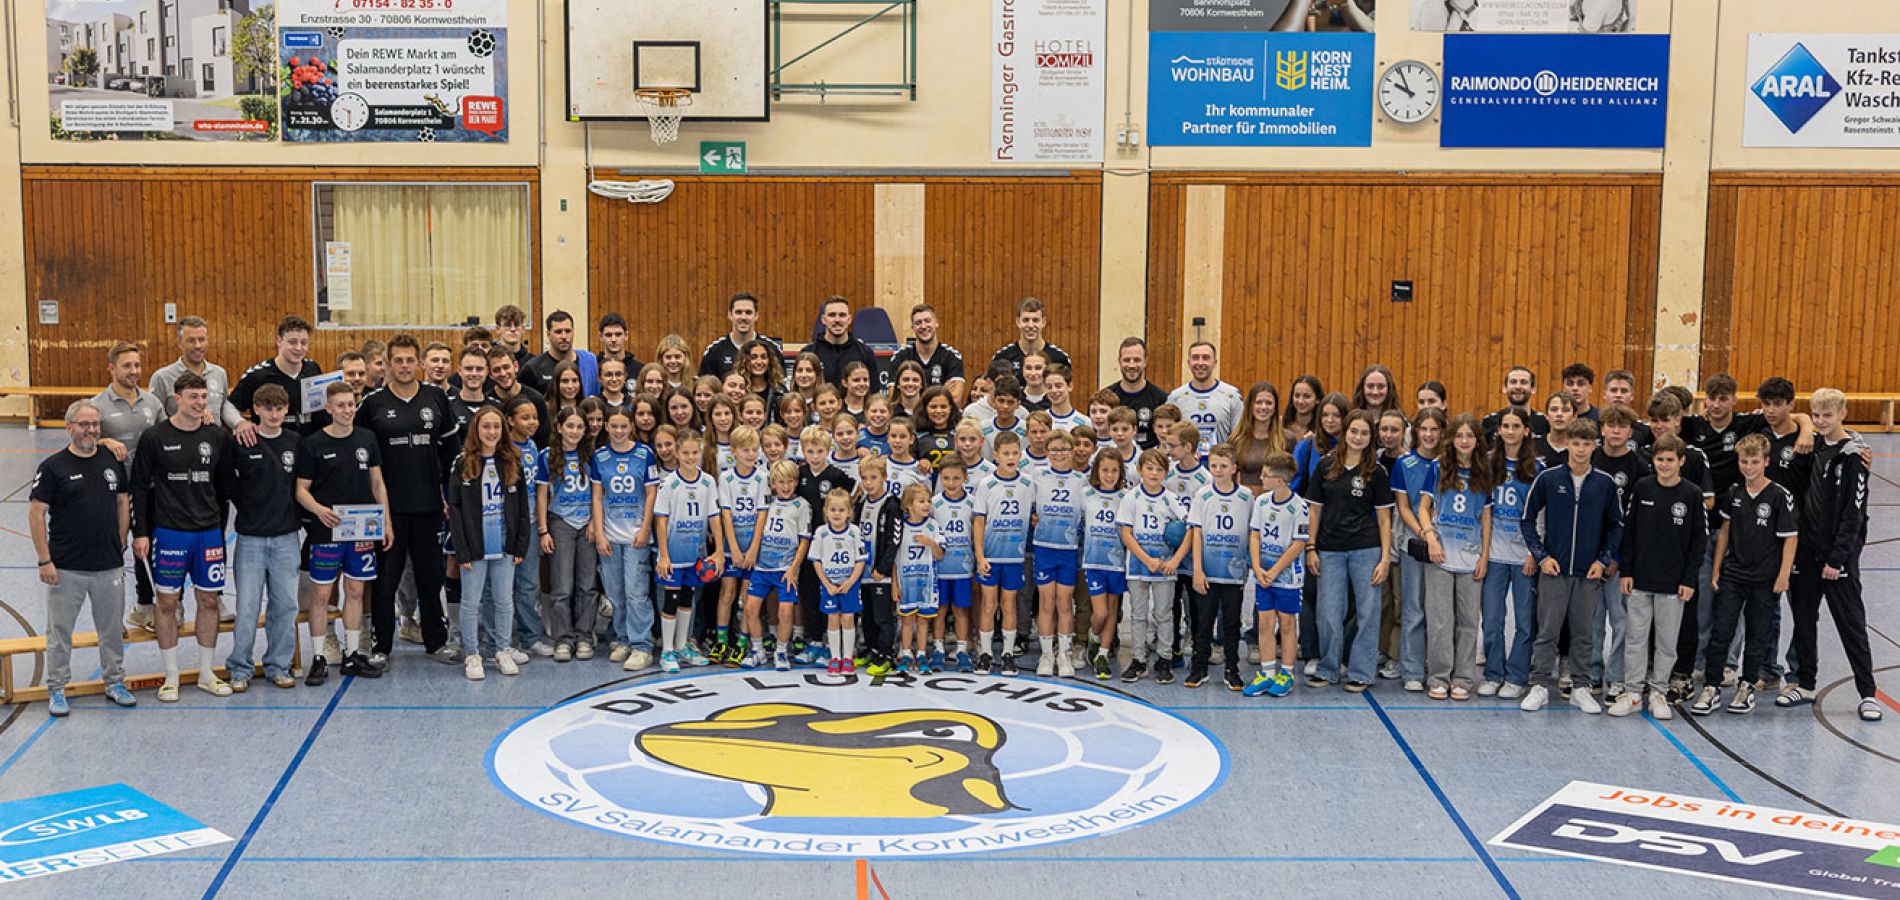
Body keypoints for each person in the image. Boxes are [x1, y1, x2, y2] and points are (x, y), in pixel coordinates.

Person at [357, 335, 459, 664]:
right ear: (388, 364)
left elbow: (451, 452)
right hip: (390, 511)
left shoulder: (435, 398)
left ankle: (436, 642)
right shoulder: (372, 404)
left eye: (409, 360)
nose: (404, 366)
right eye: (397, 360)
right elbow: (362, 456)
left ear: (419, 363)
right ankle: (381, 647)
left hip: (429, 506)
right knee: (386, 582)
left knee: (430, 579)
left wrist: (448, 494)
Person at [131, 373, 232, 702]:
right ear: (177, 399)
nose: (200, 402)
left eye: (203, 396)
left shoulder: (216, 436)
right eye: (193, 397)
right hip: (170, 534)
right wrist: (141, 532)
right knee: (167, 604)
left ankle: (206, 673)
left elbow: (226, 488)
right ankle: (171, 676)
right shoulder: (155, 437)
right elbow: (139, 488)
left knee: (209, 601)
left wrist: (220, 528)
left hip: (208, 535)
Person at [31, 400, 137, 715]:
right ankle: (57, 688)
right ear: (69, 428)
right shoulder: (53, 467)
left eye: (95, 424)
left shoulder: (111, 459)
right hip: (66, 568)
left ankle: (115, 682)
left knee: (111, 631)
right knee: (60, 633)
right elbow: (36, 514)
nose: (91, 430)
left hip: (108, 565)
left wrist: (120, 541)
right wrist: (44, 560)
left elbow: (122, 501)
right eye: (84, 424)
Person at [1782, 389, 1881, 721]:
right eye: (1817, 415)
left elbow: (1854, 513)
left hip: (1837, 559)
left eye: (1828, 415)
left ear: (1842, 414)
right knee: (1804, 620)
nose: (1822, 421)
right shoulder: (1814, 446)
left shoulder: (1853, 455)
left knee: (1851, 624)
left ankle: (1867, 693)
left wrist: (1837, 559)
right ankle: (1806, 683)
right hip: (1806, 553)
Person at [1520, 418, 1623, 714]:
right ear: (1567, 444)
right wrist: (1542, 556)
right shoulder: (1548, 478)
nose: (1580, 449)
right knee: (1547, 631)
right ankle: (1540, 685)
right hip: (1554, 570)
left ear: (1595, 446)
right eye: (1575, 443)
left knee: (1583, 633)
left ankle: (1581, 687)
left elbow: (1616, 526)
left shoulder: (1604, 483)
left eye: (1586, 444)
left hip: (1588, 573)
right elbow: (1527, 520)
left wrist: (1602, 560)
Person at [1692, 434, 1797, 717]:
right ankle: (1711, 687)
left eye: (1754, 462)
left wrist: (1783, 575)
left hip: (1764, 579)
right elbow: (1725, 532)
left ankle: (1747, 684)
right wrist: (1717, 568)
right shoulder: (1734, 493)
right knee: (1721, 632)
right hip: (1734, 575)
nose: (1749, 467)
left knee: (1757, 634)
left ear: (1766, 462)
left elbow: (1790, 537)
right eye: (1744, 462)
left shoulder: (1779, 496)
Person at [1611, 436, 1704, 719]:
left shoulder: (1692, 494)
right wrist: (1627, 571)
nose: (1664, 465)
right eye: (1660, 459)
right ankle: (1632, 692)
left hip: (1674, 584)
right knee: (1635, 638)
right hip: (1640, 579)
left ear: (1681, 461)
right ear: (1653, 461)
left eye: (1670, 460)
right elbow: (1629, 532)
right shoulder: (1642, 487)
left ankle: (1659, 692)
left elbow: (1698, 541)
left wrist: (1689, 579)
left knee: (1666, 642)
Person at [219, 384, 304, 692]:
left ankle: (278, 665)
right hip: (251, 537)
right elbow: (226, 480)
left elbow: (303, 483)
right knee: (248, 606)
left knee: (286, 605)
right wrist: (247, 505)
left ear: (286, 409)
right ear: (255, 409)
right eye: (267, 408)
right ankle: (240, 667)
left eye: (279, 408)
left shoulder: (295, 442)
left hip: (286, 537)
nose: (273, 414)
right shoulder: (241, 442)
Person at [1304, 411, 1394, 692]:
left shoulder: (1377, 472)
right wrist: (1311, 547)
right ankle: (1328, 668)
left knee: (1368, 612)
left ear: (1371, 438)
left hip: (1366, 549)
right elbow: (1314, 511)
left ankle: (1361, 672)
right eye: (1354, 431)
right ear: (1345, 433)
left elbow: (1384, 519)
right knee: (1328, 612)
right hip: (1329, 549)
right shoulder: (1326, 465)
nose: (1358, 437)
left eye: (1365, 433)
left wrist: (1385, 558)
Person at [446, 405, 532, 681]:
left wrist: (520, 545)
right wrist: (461, 550)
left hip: (504, 545)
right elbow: (455, 510)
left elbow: (522, 508)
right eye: (486, 426)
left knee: (504, 600)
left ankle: (502, 649)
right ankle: (472, 653)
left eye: (496, 426)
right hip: (474, 546)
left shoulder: (512, 461)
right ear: (476, 429)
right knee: (471, 602)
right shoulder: (463, 463)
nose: (492, 432)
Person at [1417, 414, 1494, 702]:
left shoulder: (1484, 471)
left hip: (1470, 556)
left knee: (1468, 621)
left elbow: (1486, 517)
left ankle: (1463, 678)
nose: (1464, 441)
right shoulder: (1437, 467)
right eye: (1459, 435)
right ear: (1450, 439)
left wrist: (1484, 556)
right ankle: (1439, 677)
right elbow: (1423, 508)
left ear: (1477, 441)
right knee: (1440, 620)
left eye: (1469, 436)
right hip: (1441, 554)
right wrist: (1430, 537)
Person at [93, 342, 166, 629]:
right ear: (111, 368)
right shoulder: (97, 405)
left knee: (146, 548)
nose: (134, 371)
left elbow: (168, 436)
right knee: (112, 554)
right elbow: (80, 443)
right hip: (113, 494)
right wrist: (103, 441)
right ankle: (111, 619)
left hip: (149, 491)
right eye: (127, 366)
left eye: (137, 365)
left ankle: (145, 607)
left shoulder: (153, 403)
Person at [591, 408, 659, 671]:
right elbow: (597, 496)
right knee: (615, 592)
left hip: (635, 536)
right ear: (607, 427)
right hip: (610, 535)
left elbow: (651, 493)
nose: (619, 431)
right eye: (614, 426)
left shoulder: (644, 454)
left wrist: (645, 529)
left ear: (631, 427)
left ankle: (642, 645)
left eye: (623, 426)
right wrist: (599, 533)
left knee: (636, 592)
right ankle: (623, 639)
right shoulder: (600, 456)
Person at [1481, 407, 1541, 698]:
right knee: (1492, 619)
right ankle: (1493, 673)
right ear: (1499, 430)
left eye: (1516, 426)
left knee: (1525, 621)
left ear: (1526, 430)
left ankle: (1517, 676)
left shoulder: (1537, 468)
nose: (1510, 431)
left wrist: (1535, 552)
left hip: (1523, 556)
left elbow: (1543, 513)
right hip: (1494, 554)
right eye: (1505, 426)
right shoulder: (1488, 463)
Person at [654, 429, 725, 674]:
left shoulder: (708, 481)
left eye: (695, 452)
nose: (690, 457)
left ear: (701, 452)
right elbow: (661, 520)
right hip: (673, 553)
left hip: (695, 554)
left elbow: (714, 517)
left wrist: (719, 551)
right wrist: (664, 555)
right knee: (671, 600)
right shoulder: (669, 484)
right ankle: (667, 651)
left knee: (687, 599)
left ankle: (682, 646)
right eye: (685, 453)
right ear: (677, 452)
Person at [1119, 449, 1188, 683]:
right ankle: (1138, 659)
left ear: (1166, 473)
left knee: (1164, 614)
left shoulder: (1171, 499)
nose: (1154, 473)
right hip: (1138, 565)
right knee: (1138, 614)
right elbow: (1126, 533)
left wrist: (1175, 560)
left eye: (1159, 469)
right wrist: (1147, 560)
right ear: (1139, 470)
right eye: (1149, 468)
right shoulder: (1131, 497)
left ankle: (1164, 659)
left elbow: (1189, 530)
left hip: (1165, 567)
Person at [1188, 444, 1253, 692]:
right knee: (1204, 622)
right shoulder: (1203, 495)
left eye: (1223, 466)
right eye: (1213, 465)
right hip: (1207, 571)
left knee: (1232, 623)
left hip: (1234, 572)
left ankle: (1232, 669)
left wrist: (1249, 564)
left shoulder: (1246, 496)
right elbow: (1196, 533)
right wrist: (1197, 569)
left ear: (1234, 468)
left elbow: (1252, 532)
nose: (1218, 470)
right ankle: (1199, 667)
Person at [1244, 451, 1307, 699]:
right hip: (1264, 574)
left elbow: (1298, 544)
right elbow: (1255, 535)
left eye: (1266, 475)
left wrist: (1274, 570)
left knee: (1287, 623)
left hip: (1287, 576)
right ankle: (1267, 672)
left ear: (1280, 480)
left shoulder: (1299, 507)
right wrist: (1257, 567)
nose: (1261, 478)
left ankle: (1287, 674)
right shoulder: (1261, 502)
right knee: (1265, 622)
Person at [539, 406, 597, 662]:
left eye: (579, 426)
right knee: (562, 585)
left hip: (587, 524)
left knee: (587, 584)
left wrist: (595, 522)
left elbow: (598, 493)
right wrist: (543, 530)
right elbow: (542, 495)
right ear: (559, 427)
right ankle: (563, 638)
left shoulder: (592, 456)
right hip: (561, 522)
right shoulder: (547, 456)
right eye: (570, 426)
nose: (574, 431)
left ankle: (584, 635)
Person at [1030, 432, 1089, 678]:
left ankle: (1064, 653)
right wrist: (1033, 517)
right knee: (1046, 602)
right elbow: (1028, 507)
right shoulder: (1037, 476)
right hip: (1044, 547)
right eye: (1054, 449)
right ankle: (1046, 655)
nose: (1059, 454)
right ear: (1046, 452)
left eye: (1064, 449)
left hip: (1068, 549)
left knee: (1064, 603)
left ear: (1072, 451)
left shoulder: (1081, 480)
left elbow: (1087, 513)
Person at [972, 431, 1031, 675]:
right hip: (991, 556)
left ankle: (1007, 653)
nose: (1011, 458)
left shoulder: (1028, 483)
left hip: (1014, 557)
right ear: (995, 455)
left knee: (1009, 605)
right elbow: (978, 521)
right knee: (988, 604)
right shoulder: (986, 484)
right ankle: (985, 653)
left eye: (1015, 453)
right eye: (1006, 453)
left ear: (1021, 455)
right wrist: (980, 556)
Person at [750, 460, 814, 670]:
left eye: (789, 482)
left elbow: (804, 540)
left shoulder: (801, 506)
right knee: (750, 608)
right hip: (762, 567)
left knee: (786, 612)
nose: (785, 486)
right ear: (773, 484)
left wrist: (794, 569)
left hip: (785, 569)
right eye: (781, 482)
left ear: (796, 482)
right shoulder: (767, 503)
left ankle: (781, 651)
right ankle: (757, 650)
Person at [715, 426, 769, 664]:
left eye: (755, 450)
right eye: (746, 450)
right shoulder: (726, 478)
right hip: (732, 547)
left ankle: (742, 643)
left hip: (753, 548)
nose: (751, 454)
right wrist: (734, 549)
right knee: (727, 593)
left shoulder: (762, 477)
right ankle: (721, 641)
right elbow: (725, 514)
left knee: (748, 597)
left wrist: (753, 549)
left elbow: (762, 514)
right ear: (734, 452)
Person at [233, 316, 326, 435]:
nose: (299, 348)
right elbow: (230, 405)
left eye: (303, 343)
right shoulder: (258, 375)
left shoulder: (313, 368)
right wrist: (240, 422)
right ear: (279, 341)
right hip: (270, 443)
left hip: (309, 442)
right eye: (292, 342)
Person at [1081, 449, 1129, 679]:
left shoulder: (1126, 497)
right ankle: (1093, 635)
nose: (1109, 475)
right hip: (1094, 562)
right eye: (1105, 470)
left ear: (1120, 473)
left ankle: (1102, 654)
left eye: (1114, 471)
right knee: (1099, 613)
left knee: (1111, 611)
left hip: (1117, 564)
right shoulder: (1086, 495)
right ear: (1097, 471)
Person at [150, 317, 243, 431]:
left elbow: (225, 410)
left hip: (215, 439)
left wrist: (239, 423)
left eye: (201, 339)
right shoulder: (162, 378)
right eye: (191, 340)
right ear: (179, 343)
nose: (198, 345)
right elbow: (155, 418)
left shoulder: (219, 374)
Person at [811, 489, 867, 675]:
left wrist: (850, 581)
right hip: (829, 584)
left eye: (841, 510)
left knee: (848, 618)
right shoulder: (821, 532)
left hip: (849, 584)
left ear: (849, 512)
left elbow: (860, 560)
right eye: (833, 509)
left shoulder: (854, 532)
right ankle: (835, 658)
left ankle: (847, 658)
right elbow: (816, 561)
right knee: (833, 618)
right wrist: (827, 584)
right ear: (826, 511)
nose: (837, 514)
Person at [890, 483, 944, 673]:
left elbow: (940, 555)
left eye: (928, 501)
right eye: (921, 501)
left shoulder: (933, 526)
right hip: (906, 581)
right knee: (906, 620)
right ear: (908, 505)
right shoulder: (900, 527)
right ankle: (906, 654)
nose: (927, 504)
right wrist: (894, 585)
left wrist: (931, 543)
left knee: (923, 621)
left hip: (926, 583)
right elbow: (894, 559)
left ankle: (921, 654)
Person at [932, 458, 979, 672]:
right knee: (940, 610)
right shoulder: (934, 504)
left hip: (963, 569)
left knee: (961, 610)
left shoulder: (973, 503)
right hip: (940, 568)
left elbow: (977, 535)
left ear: (965, 478)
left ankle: (962, 650)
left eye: (956, 478)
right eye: (946, 478)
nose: (951, 483)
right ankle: (938, 650)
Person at [857, 457, 902, 673]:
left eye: (873, 478)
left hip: (880, 574)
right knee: (867, 616)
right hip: (863, 571)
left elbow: (895, 540)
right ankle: (871, 649)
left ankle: (886, 655)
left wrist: (883, 568)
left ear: (884, 477)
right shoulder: (861, 503)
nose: (868, 483)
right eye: (864, 478)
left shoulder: (892, 505)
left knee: (882, 616)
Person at [1167, 342, 1244, 458]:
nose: (1200, 362)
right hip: (1187, 465)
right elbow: (1169, 436)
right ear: (1188, 362)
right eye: (1195, 358)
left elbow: (1239, 437)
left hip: (1220, 465)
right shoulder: (1176, 397)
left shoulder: (1232, 395)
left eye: (1206, 358)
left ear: (1215, 362)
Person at [890, 303, 967, 403]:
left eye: (927, 321)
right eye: (918, 323)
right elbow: (894, 399)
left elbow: (955, 399)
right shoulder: (900, 357)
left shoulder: (952, 356)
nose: (923, 326)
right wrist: (941, 392)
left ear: (936, 323)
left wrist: (912, 396)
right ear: (913, 328)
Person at [700, 293, 780, 380]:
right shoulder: (714, 351)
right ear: (730, 315)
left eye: (748, 313)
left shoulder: (772, 349)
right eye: (738, 312)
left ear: (756, 315)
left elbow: (781, 382)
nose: (743, 317)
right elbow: (705, 385)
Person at [811, 296, 886, 390]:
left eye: (842, 315)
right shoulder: (810, 353)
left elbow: (874, 392)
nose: (837, 320)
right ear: (823, 320)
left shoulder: (865, 353)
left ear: (849, 319)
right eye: (832, 315)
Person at [990, 297, 1072, 380]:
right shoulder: (1002, 357)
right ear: (1018, 322)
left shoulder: (1059, 358)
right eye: (1026, 320)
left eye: (1035, 320)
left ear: (1043, 322)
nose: (1030, 325)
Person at [1110, 338, 1171, 448]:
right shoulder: (1108, 397)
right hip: (1114, 455)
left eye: (1137, 360)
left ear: (1145, 361)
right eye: (1127, 360)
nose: (1132, 365)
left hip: (1151, 455)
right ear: (1119, 361)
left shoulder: (1161, 398)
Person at [525, 310, 600, 396]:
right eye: (558, 332)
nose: (564, 336)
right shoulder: (533, 368)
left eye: (568, 331)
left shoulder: (589, 361)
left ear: (573, 332)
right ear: (548, 335)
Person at [486, 347, 549, 447]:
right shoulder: (487, 403)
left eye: (506, 367)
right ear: (490, 374)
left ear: (516, 366)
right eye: (497, 370)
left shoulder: (536, 399)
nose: (503, 373)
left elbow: (544, 441)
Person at [1481, 366, 1550, 440]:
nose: (1518, 387)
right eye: (1513, 382)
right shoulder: (1489, 421)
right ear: (1504, 388)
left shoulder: (1544, 422)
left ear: (1533, 389)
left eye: (1523, 382)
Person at [492, 304, 543, 392]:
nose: (513, 329)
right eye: (507, 325)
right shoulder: (490, 360)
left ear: (523, 328)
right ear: (498, 329)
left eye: (517, 325)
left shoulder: (534, 363)